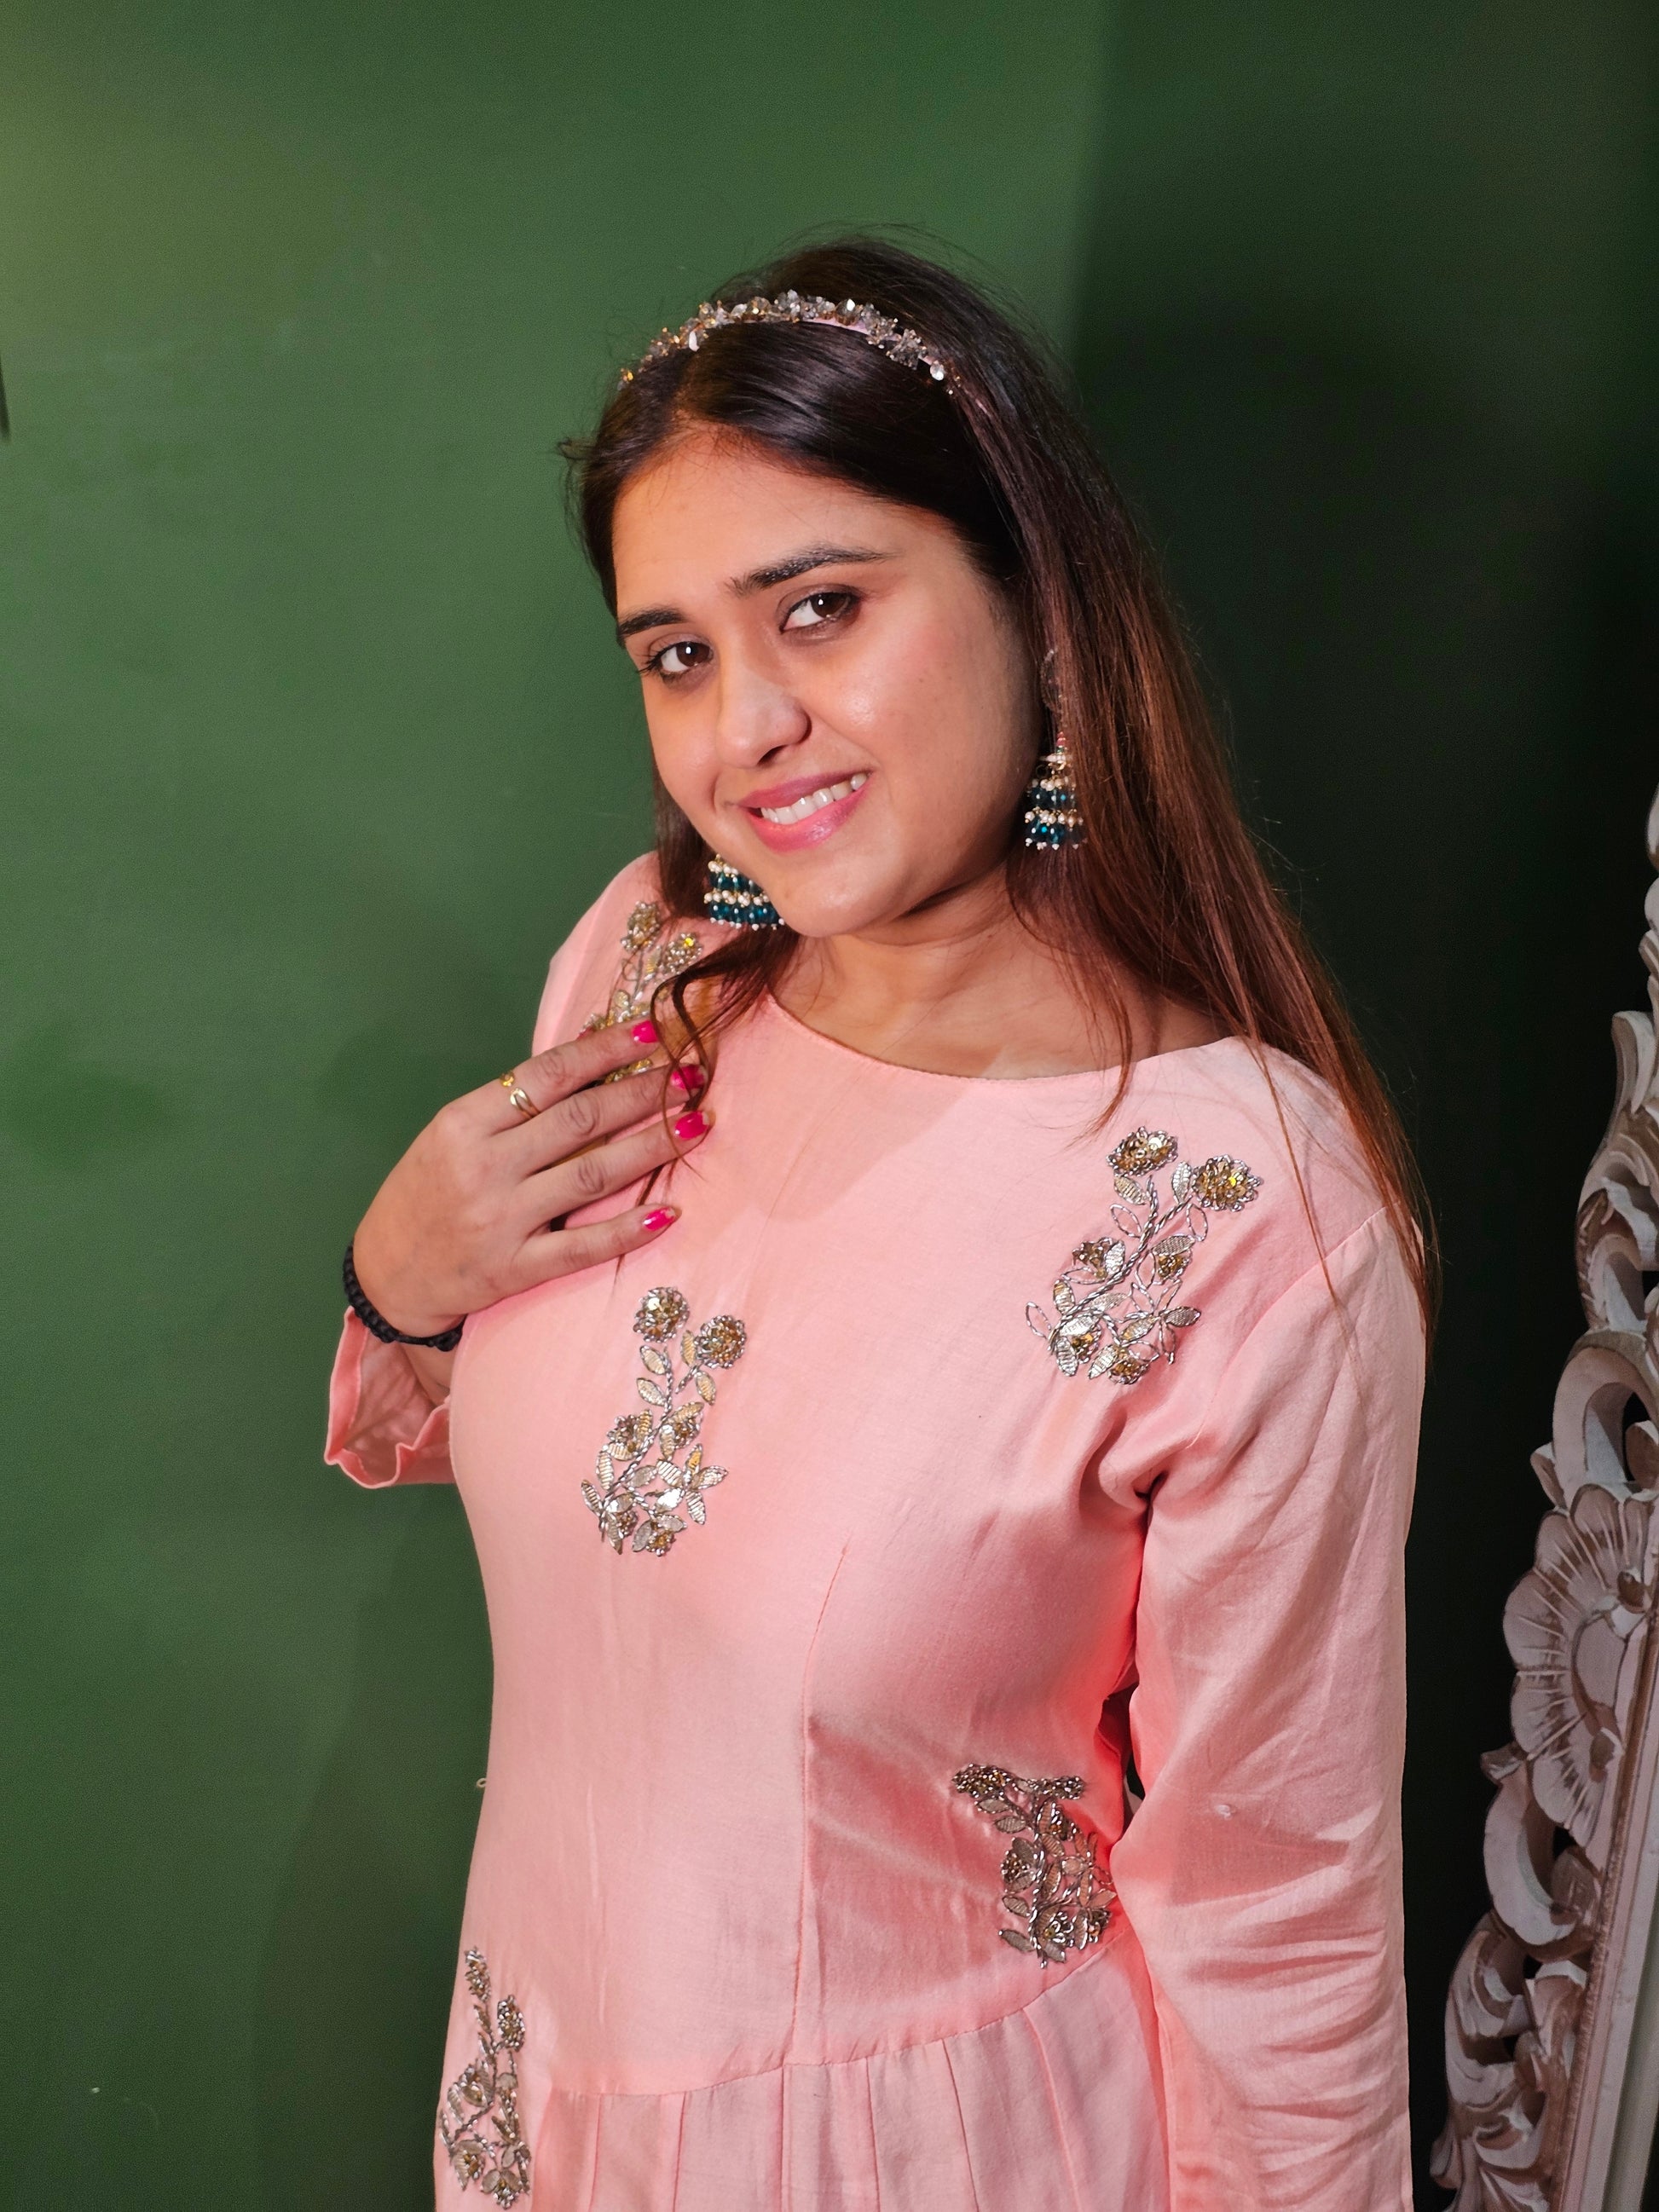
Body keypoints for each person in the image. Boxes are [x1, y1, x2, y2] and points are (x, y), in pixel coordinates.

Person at [327, 237, 1428, 2211]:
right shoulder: (648, 960)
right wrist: (396, 1281)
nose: (744, 725)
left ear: (1037, 602)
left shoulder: (1238, 1203)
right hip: (532, 2090)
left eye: (819, 607)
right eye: (675, 654)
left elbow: (1277, 1888)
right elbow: (575, 1492)